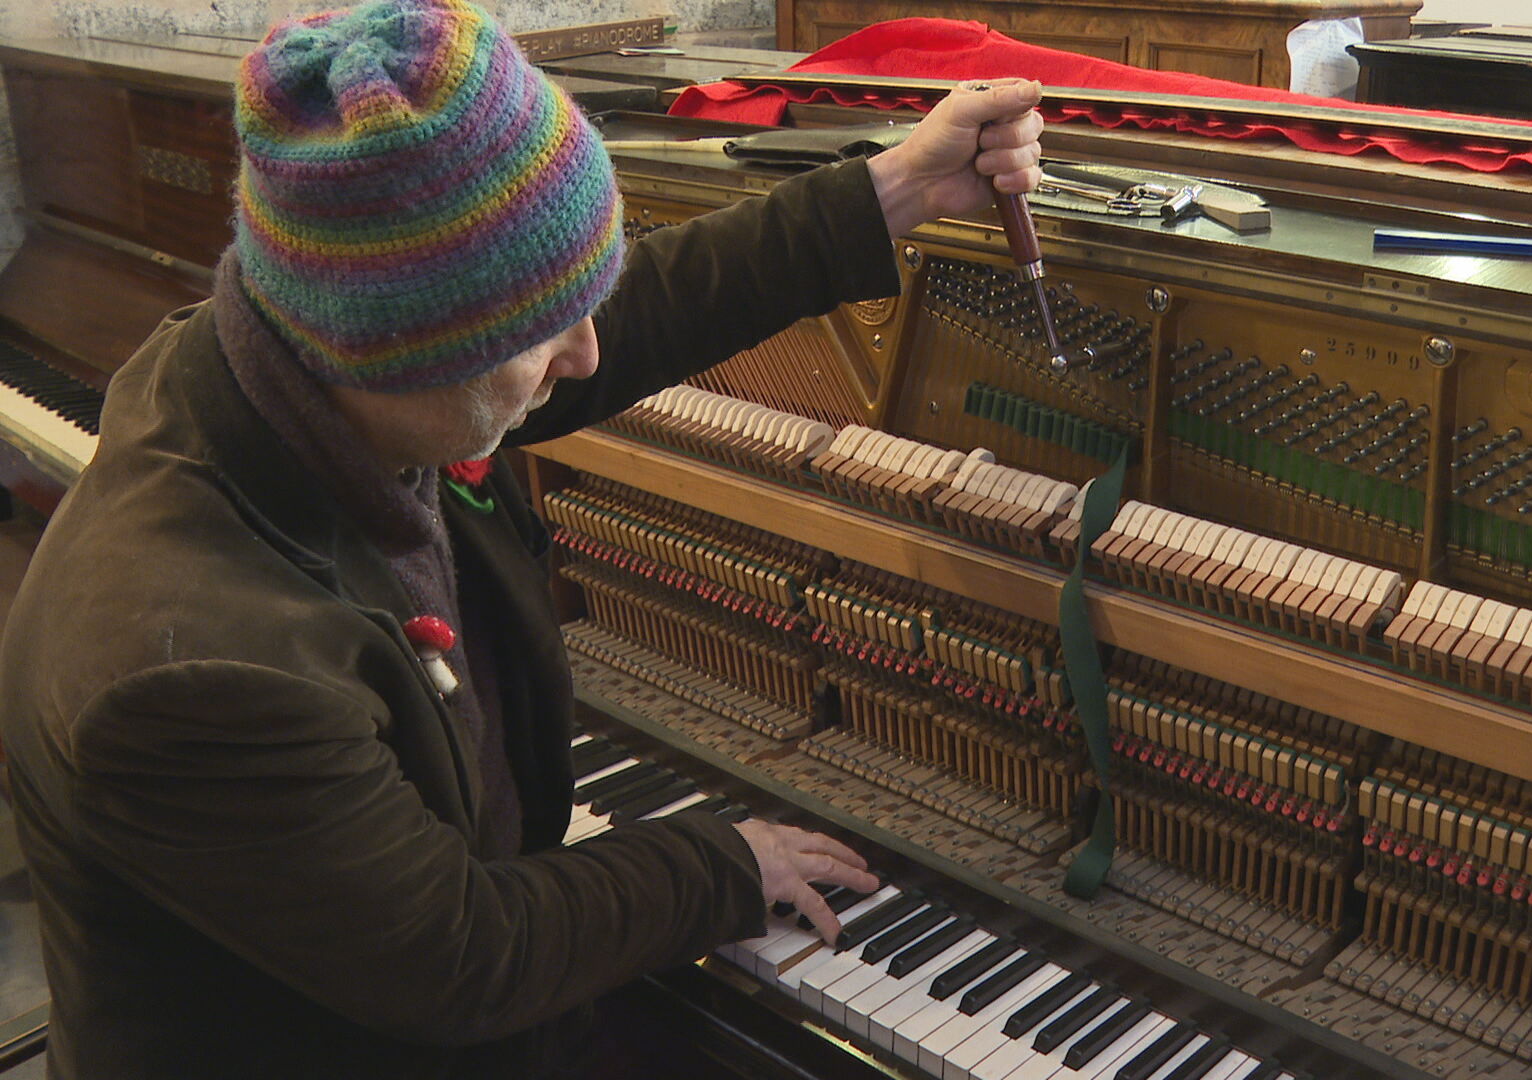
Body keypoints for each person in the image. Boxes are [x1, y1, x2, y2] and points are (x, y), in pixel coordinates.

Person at [0, 0, 1044, 1076]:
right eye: (547, 330)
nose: (587, 357)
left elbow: (603, 318)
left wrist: (901, 189)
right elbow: (462, 960)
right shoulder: (197, 667)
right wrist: (715, 864)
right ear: (395, 356)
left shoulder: (299, 363)